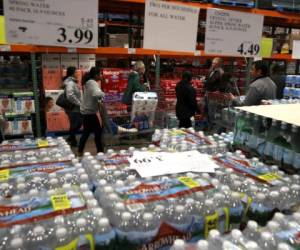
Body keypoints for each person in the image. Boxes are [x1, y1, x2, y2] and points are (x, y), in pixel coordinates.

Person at [78, 67, 105, 156]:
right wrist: (103, 94)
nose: (101, 76)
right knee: (98, 132)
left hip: (86, 112)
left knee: (86, 133)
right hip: (89, 113)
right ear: (96, 75)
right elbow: (96, 93)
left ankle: (80, 151)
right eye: (100, 74)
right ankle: (100, 152)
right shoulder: (92, 83)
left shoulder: (89, 82)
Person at [62, 66, 82, 147]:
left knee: (74, 123)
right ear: (73, 73)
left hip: (72, 107)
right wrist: (79, 103)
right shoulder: (70, 83)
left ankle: (71, 137)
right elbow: (70, 95)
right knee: (77, 123)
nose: (77, 73)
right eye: (76, 72)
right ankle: (73, 141)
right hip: (73, 107)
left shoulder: (72, 82)